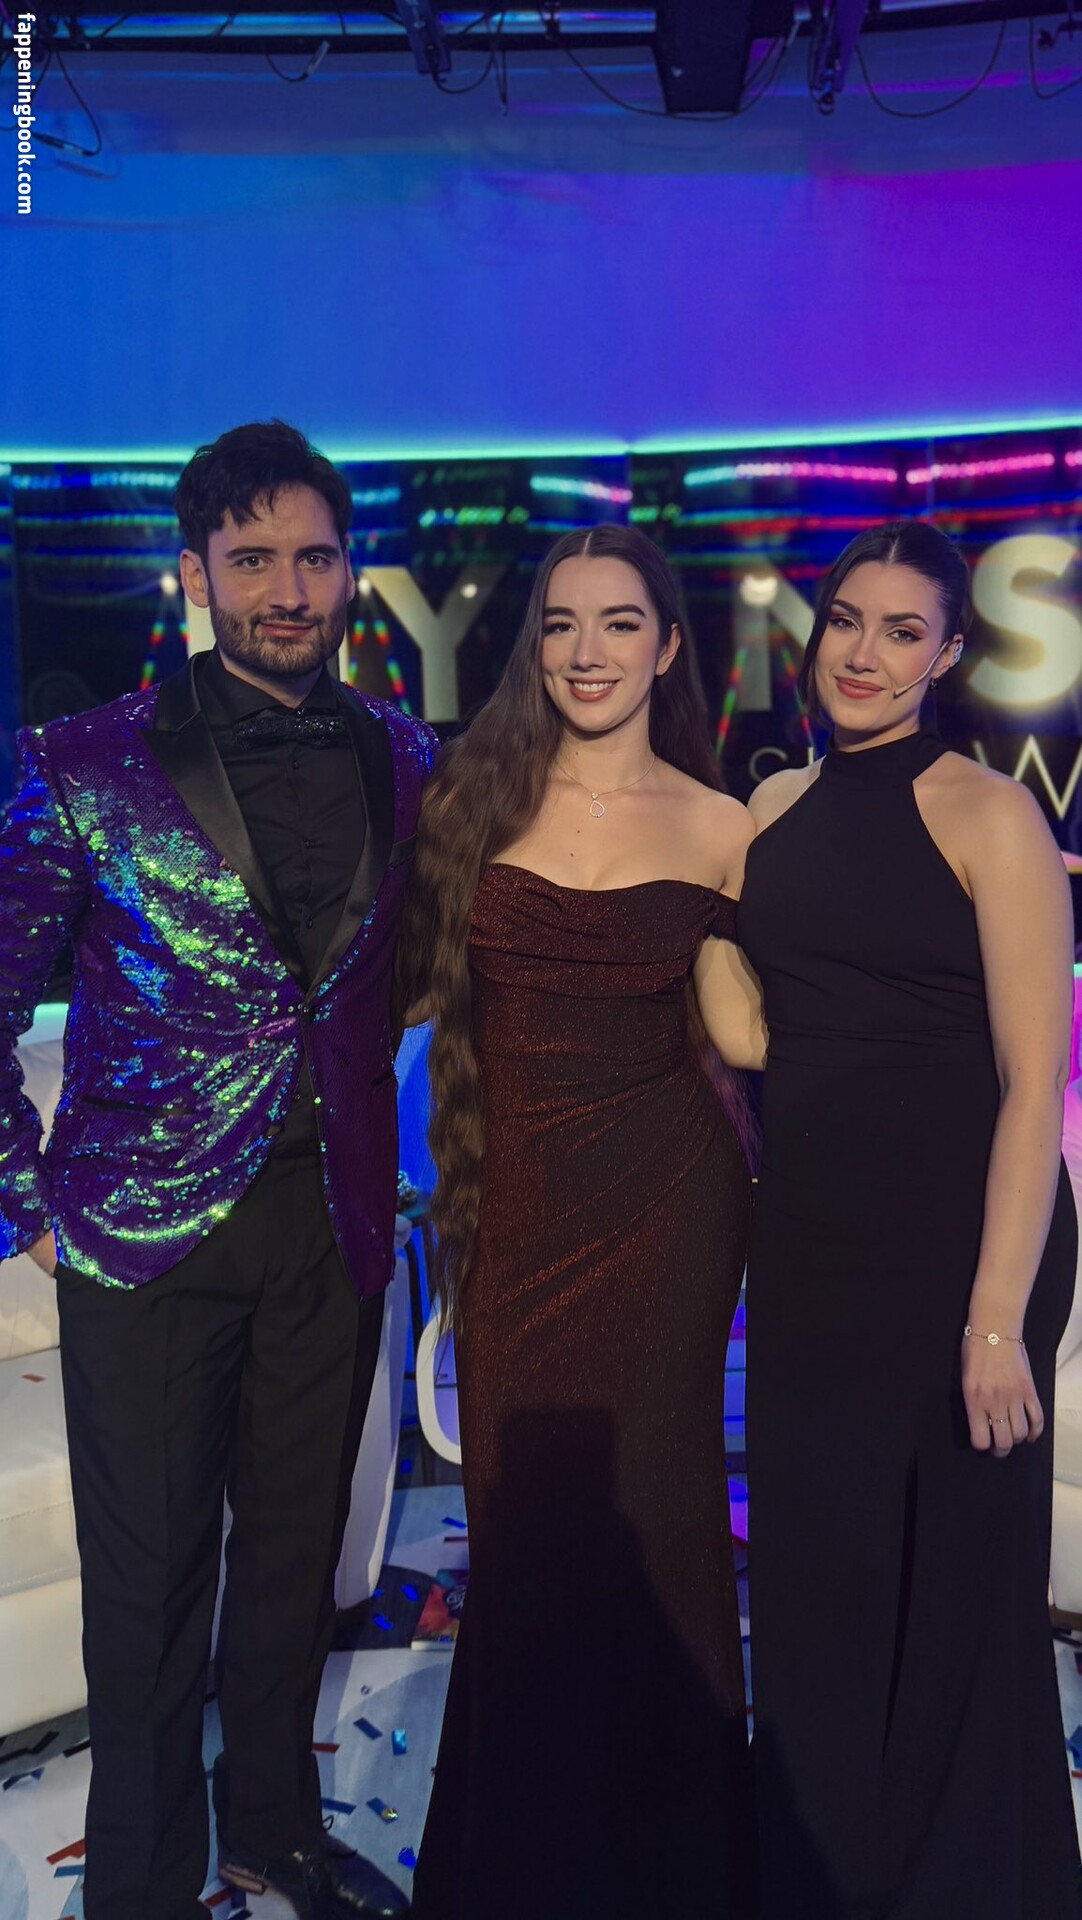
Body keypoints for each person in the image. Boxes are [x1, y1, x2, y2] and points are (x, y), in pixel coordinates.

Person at [0, 421, 436, 1920]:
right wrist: (27, 1205)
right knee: (148, 1589)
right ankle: (137, 1883)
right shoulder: (79, 763)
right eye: (253, 561)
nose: (287, 590)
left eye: (313, 558)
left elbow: (403, 975)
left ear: (350, 570)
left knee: (295, 1562)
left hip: (333, 1225)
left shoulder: (406, 756)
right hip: (142, 1239)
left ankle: (275, 1831)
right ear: (194, 574)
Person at [396, 524, 765, 1920]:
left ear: (667, 648)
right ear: (533, 647)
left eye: (619, 624)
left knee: (659, 1520)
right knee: (527, 1536)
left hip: (670, 1209)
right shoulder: (471, 801)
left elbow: (752, 1032)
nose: (587, 651)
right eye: (560, 624)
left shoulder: (726, 827)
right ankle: (524, 1871)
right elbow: (390, 993)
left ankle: (672, 1872)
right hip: (516, 1216)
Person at [736, 520, 1081, 1917]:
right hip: (812, 1246)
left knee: (955, 1606)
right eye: (845, 621)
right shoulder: (769, 809)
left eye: (900, 632)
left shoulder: (991, 815)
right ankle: (825, 1881)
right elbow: (751, 1037)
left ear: (946, 655)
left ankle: (963, 1888)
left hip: (967, 1250)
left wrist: (993, 1319)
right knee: (817, 1584)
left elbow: (1032, 1084)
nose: (863, 655)